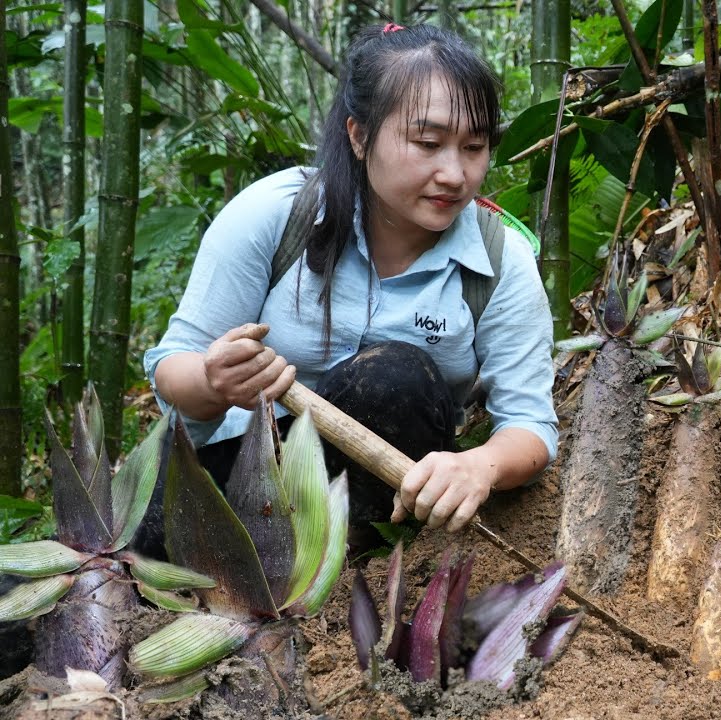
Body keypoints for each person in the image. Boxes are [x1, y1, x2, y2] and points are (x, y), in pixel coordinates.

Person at [143, 23, 557, 546]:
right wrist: (213, 379)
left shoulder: (501, 260)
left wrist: (481, 465)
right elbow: (172, 367)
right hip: (243, 482)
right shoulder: (276, 213)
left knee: (394, 378)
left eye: (474, 147)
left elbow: (531, 425)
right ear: (359, 136)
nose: (454, 173)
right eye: (427, 143)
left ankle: (353, 562)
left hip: (387, 509)